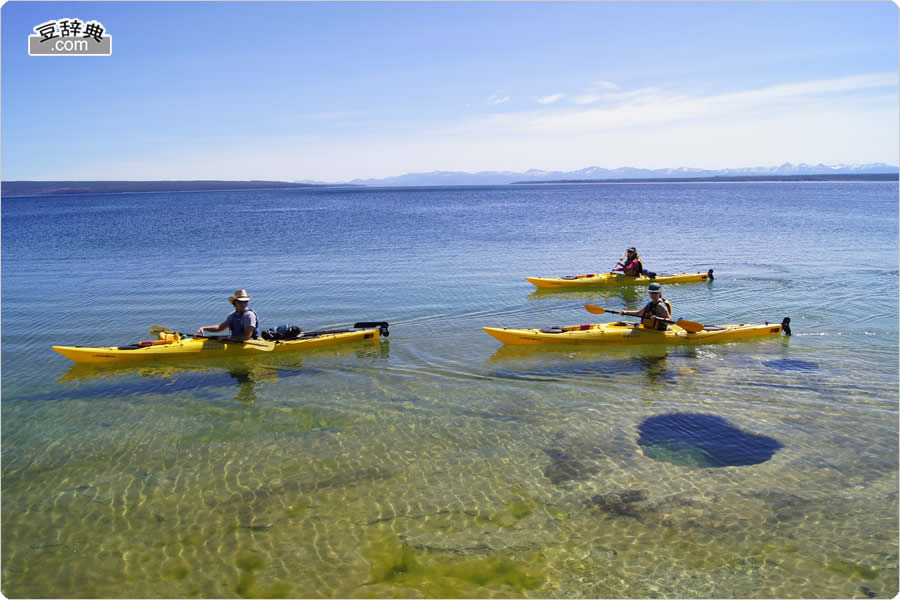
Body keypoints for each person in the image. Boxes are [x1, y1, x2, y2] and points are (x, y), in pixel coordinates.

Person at [195, 289, 259, 341]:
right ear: (234, 303)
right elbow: (220, 328)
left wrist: (227, 338)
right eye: (240, 302)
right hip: (235, 342)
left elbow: (246, 337)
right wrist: (204, 328)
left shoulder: (249, 316)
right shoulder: (233, 315)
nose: (243, 304)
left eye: (245, 301)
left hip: (248, 343)